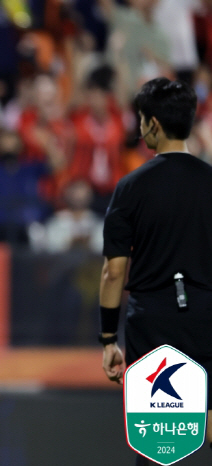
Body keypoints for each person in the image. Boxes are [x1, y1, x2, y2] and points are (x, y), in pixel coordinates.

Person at [100, 78, 212, 464]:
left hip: (154, 321)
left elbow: (113, 273)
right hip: (207, 315)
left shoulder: (131, 188)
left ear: (153, 124)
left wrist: (107, 337)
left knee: (160, 449)